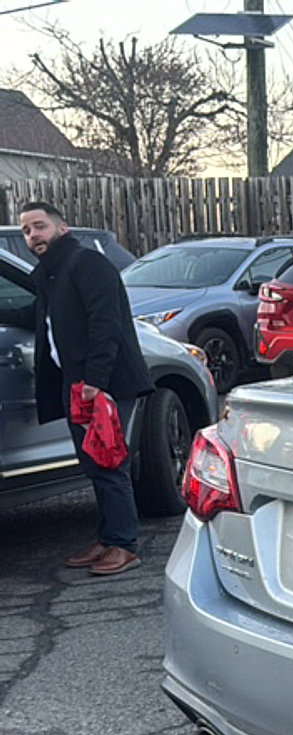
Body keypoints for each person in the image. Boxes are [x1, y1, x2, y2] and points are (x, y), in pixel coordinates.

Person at [21, 199, 152, 577]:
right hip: (75, 382)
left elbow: (106, 324)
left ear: (62, 228)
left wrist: (96, 381)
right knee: (92, 463)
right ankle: (108, 537)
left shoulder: (87, 263)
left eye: (40, 226)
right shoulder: (47, 274)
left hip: (104, 384)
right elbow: (37, 320)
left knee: (110, 461)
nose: (34, 236)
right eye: (27, 231)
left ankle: (124, 545)